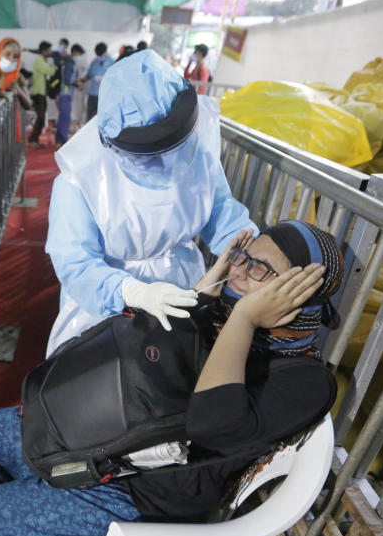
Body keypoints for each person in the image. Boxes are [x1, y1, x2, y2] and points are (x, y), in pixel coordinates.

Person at [0, 220, 342, 536]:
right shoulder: (225, 311)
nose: (238, 270)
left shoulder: (305, 380)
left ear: (302, 291)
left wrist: (244, 320)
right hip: (116, 435)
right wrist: (205, 294)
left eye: (259, 269)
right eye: (242, 256)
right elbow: (148, 346)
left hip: (147, 497)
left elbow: (212, 424)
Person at [44, 50, 256, 356]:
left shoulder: (195, 155)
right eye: (149, 156)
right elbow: (75, 262)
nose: (167, 164)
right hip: (108, 305)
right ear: (112, 143)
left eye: (172, 148)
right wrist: (131, 291)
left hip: (184, 286)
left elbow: (223, 217)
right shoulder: (80, 180)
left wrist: (254, 257)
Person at [28, 41, 56, 147]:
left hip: (41, 92)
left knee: (41, 118)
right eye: (49, 50)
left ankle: (34, 140)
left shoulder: (42, 60)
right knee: (40, 117)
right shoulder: (39, 61)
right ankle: (32, 140)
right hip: (38, 92)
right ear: (44, 50)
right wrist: (53, 66)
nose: (50, 52)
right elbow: (50, 71)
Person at [55, 43, 83, 146]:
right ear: (75, 52)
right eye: (79, 54)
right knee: (65, 118)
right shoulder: (69, 63)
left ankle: (59, 140)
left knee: (63, 117)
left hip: (66, 93)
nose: (80, 57)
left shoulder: (69, 62)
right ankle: (62, 140)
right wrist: (77, 85)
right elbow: (67, 80)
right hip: (65, 93)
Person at [81, 42, 114, 121]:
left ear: (105, 52)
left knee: (102, 117)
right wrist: (80, 81)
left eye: (100, 55)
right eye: (97, 55)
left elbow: (115, 78)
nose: (98, 57)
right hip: (93, 93)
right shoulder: (94, 61)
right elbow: (89, 75)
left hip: (105, 95)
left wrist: (105, 78)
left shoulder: (112, 62)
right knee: (89, 116)